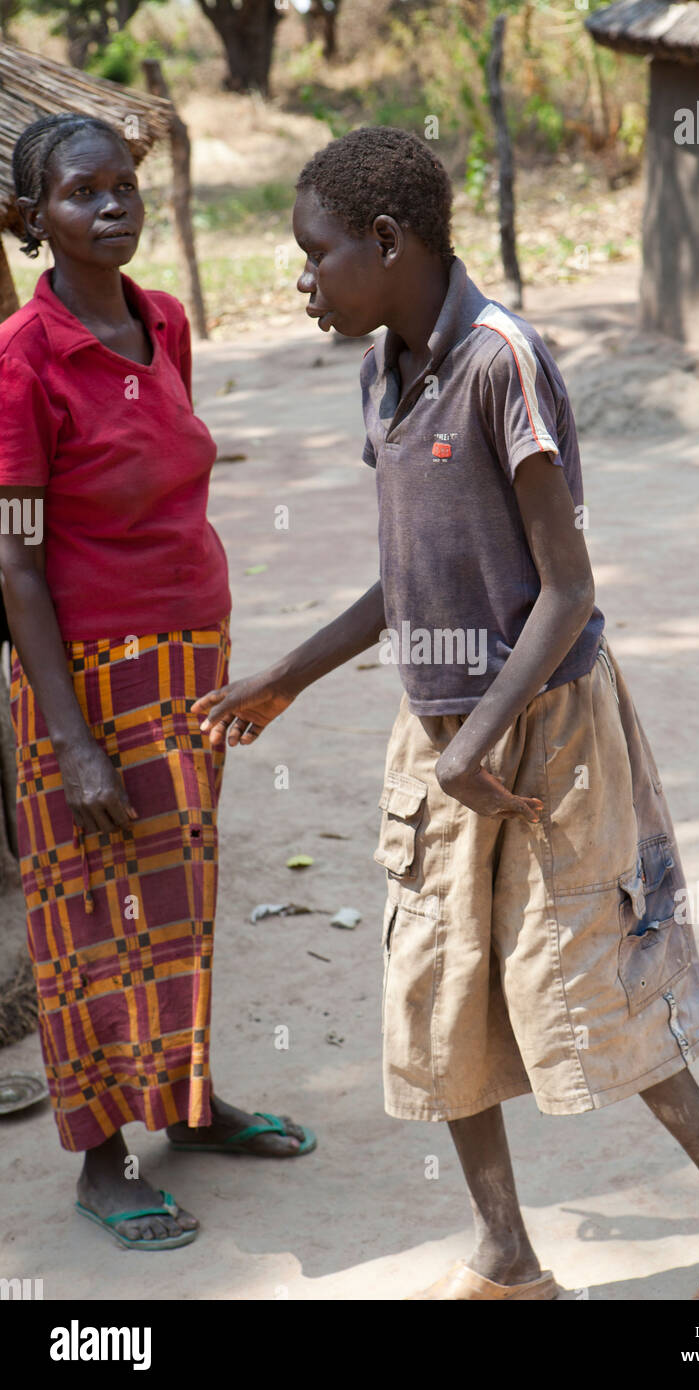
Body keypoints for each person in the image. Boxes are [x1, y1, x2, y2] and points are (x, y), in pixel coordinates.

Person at [193, 125, 699, 1300]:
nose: (302, 279)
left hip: (546, 735)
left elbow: (565, 588)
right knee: (440, 992)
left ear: (387, 240)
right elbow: (405, 579)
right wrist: (290, 674)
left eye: (315, 254)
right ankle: (506, 1260)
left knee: (588, 986)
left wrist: (480, 741)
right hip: (440, 740)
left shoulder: (500, 360)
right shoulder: (385, 368)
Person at [0, 114, 314, 1253]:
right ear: (36, 219)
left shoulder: (164, 322)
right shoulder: (22, 359)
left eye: (125, 186)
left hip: (189, 660)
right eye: (84, 193)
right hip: (82, 678)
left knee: (176, 895)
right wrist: (75, 741)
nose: (114, 207)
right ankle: (100, 1156)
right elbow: (16, 557)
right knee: (89, 914)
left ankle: (186, 1105)